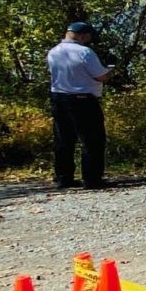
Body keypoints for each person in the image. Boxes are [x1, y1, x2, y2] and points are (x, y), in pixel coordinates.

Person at [46, 21, 113, 190]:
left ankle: (63, 177)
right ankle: (92, 179)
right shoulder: (84, 52)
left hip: (59, 98)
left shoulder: (53, 52)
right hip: (82, 99)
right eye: (89, 35)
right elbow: (101, 77)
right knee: (92, 139)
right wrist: (110, 69)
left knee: (63, 139)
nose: (89, 39)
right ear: (83, 35)